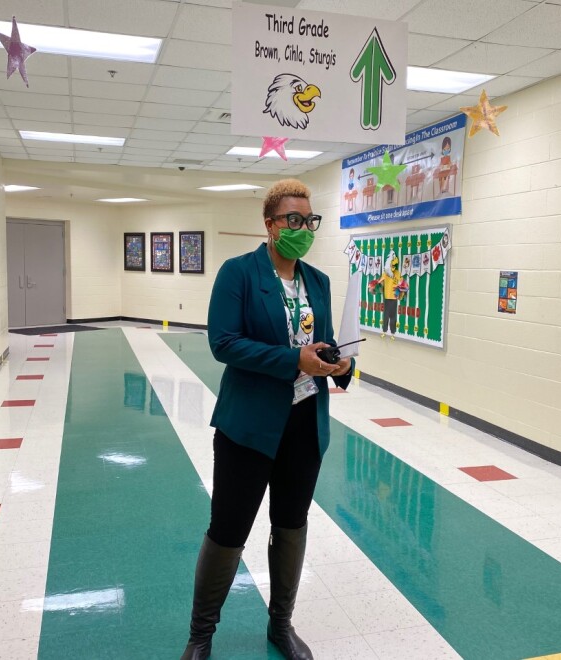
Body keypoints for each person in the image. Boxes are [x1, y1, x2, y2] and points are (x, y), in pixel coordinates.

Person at [180, 179, 355, 660]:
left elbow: (323, 344)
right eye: (293, 220)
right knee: (229, 527)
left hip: (303, 425)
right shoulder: (238, 274)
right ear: (270, 224)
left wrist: (340, 364)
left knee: (291, 523)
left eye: (309, 220)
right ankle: (201, 635)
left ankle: (281, 625)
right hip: (249, 427)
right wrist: (292, 359)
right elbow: (224, 343)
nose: (302, 228)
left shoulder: (317, 281)